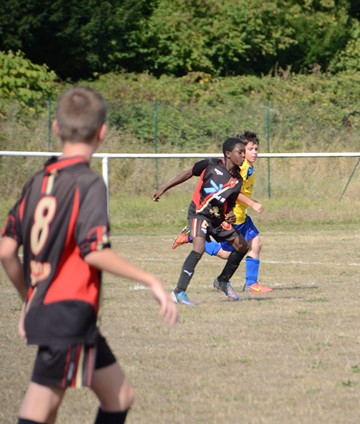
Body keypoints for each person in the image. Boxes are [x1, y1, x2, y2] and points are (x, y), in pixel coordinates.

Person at [0, 86, 178, 424]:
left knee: (119, 396)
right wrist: (150, 279)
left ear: (56, 128)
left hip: (64, 315)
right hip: (68, 312)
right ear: (102, 132)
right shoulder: (88, 183)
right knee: (39, 411)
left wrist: (29, 298)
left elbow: (6, 250)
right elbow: (93, 251)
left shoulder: (37, 182)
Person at [172, 131, 272, 294]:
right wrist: (252, 203)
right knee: (227, 254)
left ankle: (251, 283)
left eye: (256, 149)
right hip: (234, 216)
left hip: (242, 215)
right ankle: (192, 237)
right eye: (250, 149)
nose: (254, 152)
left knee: (256, 243)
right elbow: (232, 191)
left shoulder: (247, 167)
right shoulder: (241, 168)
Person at [152, 137, 249, 305]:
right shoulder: (210, 164)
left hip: (217, 218)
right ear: (228, 154)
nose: (243, 156)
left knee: (242, 246)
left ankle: (223, 281)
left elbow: (230, 203)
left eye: (244, 152)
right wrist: (164, 188)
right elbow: (188, 173)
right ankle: (179, 291)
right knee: (199, 248)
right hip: (199, 213)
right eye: (240, 152)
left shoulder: (237, 180)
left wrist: (231, 214)